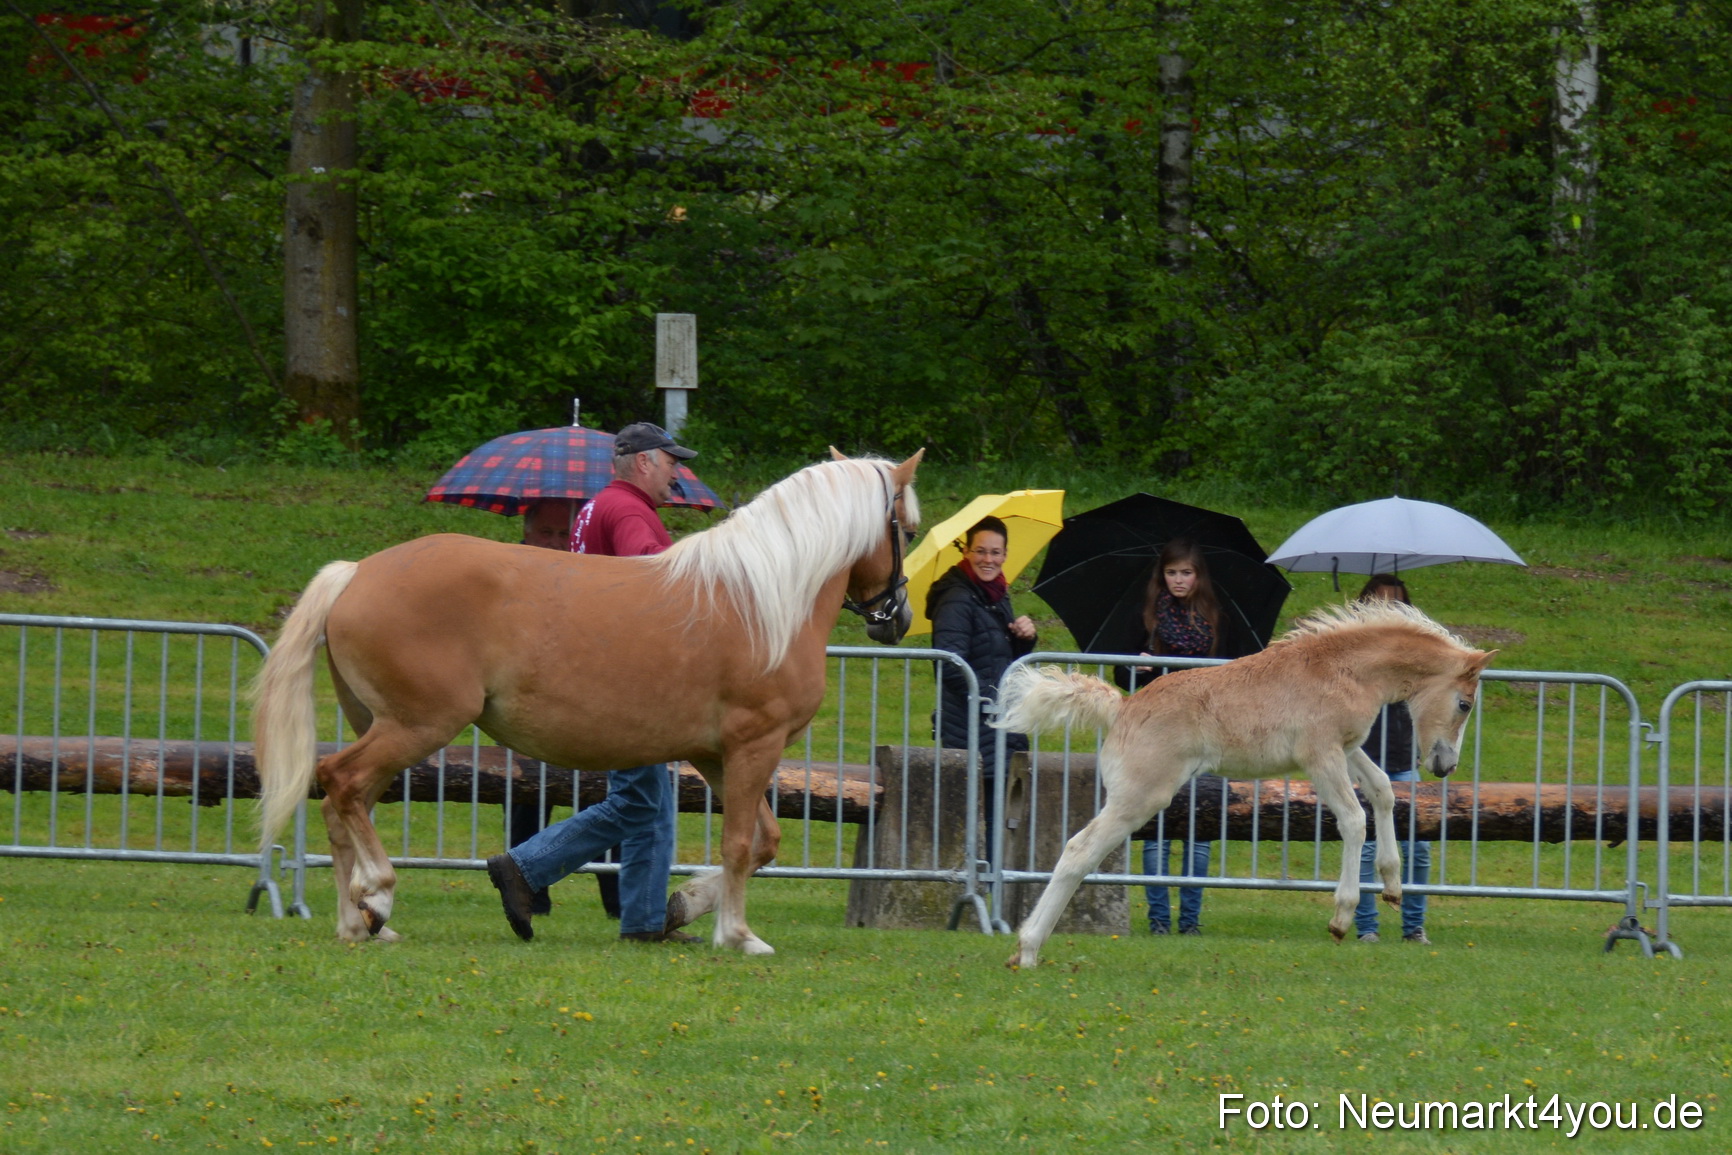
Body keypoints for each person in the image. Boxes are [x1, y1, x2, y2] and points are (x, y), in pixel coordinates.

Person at [486, 423, 702, 944]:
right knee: (637, 801)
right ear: (644, 462)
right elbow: (654, 579)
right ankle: (525, 866)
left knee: (652, 802)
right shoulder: (628, 511)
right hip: (627, 676)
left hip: (610, 670)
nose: (677, 472)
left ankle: (644, 922)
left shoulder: (597, 507)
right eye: (671, 461)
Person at [505, 498, 621, 921]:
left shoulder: (587, 572)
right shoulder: (508, 575)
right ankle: (528, 894)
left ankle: (618, 899)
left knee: (609, 795)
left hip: (588, 707)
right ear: (527, 534)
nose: (555, 542)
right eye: (546, 533)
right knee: (526, 798)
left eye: (562, 533)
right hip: (527, 708)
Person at [927, 516, 1037, 861]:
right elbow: (950, 664)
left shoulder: (994, 595)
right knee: (987, 817)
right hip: (973, 727)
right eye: (980, 551)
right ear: (967, 552)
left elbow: (998, 659)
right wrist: (989, 701)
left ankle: (989, 886)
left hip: (997, 726)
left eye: (995, 552)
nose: (988, 559)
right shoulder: (957, 599)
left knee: (997, 816)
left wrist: (1024, 640)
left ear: (1005, 555)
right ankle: (985, 886)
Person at [1135, 538, 1225, 936]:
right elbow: (1122, 671)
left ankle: (1190, 920)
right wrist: (1138, 667)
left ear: (1198, 576)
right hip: (1160, 730)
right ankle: (1158, 919)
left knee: (1198, 829)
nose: (1178, 580)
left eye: (1186, 573)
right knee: (1156, 827)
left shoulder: (1216, 619)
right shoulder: (1148, 617)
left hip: (1207, 732)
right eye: (1171, 573)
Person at [1353, 573, 1432, 945]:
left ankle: (1413, 926)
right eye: (1380, 600)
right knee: (1366, 844)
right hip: (1363, 757)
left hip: (1402, 759)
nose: (1388, 608)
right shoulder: (1351, 644)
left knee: (1418, 846)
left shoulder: (1418, 646)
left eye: (1396, 601)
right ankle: (1367, 927)